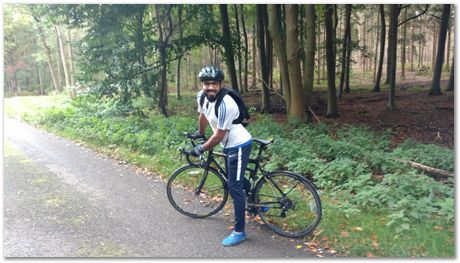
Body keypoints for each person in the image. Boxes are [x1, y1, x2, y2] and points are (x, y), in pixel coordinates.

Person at [188, 65, 252, 247]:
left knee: (234, 186)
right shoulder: (202, 97)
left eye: (214, 83)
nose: (210, 87)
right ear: (202, 85)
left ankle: (239, 232)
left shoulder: (226, 104)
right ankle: (257, 203)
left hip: (239, 145)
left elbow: (219, 136)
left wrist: (201, 148)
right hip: (228, 144)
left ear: (220, 84)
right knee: (234, 177)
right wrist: (200, 133)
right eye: (206, 83)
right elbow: (203, 116)